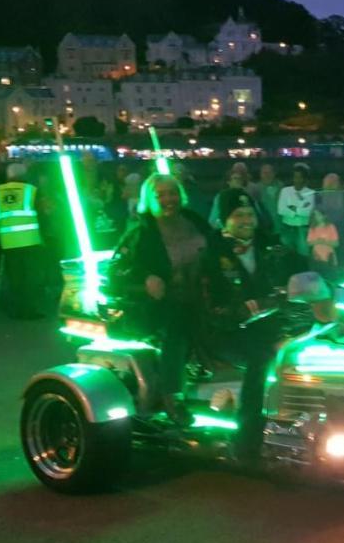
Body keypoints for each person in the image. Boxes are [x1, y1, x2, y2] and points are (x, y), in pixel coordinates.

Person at [200, 189, 305, 458]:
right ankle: (247, 439)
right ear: (225, 220)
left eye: (249, 214)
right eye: (238, 215)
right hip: (224, 332)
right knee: (262, 357)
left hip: (268, 324)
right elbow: (208, 303)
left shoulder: (271, 245)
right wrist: (237, 311)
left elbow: (303, 267)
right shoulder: (211, 254)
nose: (246, 219)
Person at [111, 174, 214, 426]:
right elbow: (115, 272)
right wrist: (146, 279)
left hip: (204, 297)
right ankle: (172, 396)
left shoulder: (194, 221)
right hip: (160, 304)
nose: (169, 199)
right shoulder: (140, 233)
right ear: (149, 200)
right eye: (161, 195)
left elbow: (219, 247)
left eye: (173, 193)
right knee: (177, 328)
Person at [0, 162, 45, 319]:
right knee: (31, 278)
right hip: (30, 240)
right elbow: (42, 214)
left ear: (8, 176)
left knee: (15, 279)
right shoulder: (31, 190)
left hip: (8, 242)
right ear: (24, 175)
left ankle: (16, 310)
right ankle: (30, 310)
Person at [276, 163, 315, 256]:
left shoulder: (310, 193)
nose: (297, 180)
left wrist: (292, 208)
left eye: (300, 177)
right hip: (287, 227)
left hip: (303, 228)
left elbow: (308, 212)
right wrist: (300, 210)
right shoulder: (285, 191)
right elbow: (280, 210)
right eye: (295, 177)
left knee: (304, 254)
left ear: (305, 178)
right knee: (286, 255)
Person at [307, 207, 339, 273]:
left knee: (330, 275)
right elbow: (308, 243)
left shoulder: (331, 227)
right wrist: (318, 241)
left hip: (329, 257)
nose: (316, 217)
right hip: (316, 257)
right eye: (314, 215)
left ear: (324, 215)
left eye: (318, 215)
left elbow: (336, 243)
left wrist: (324, 242)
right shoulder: (312, 228)